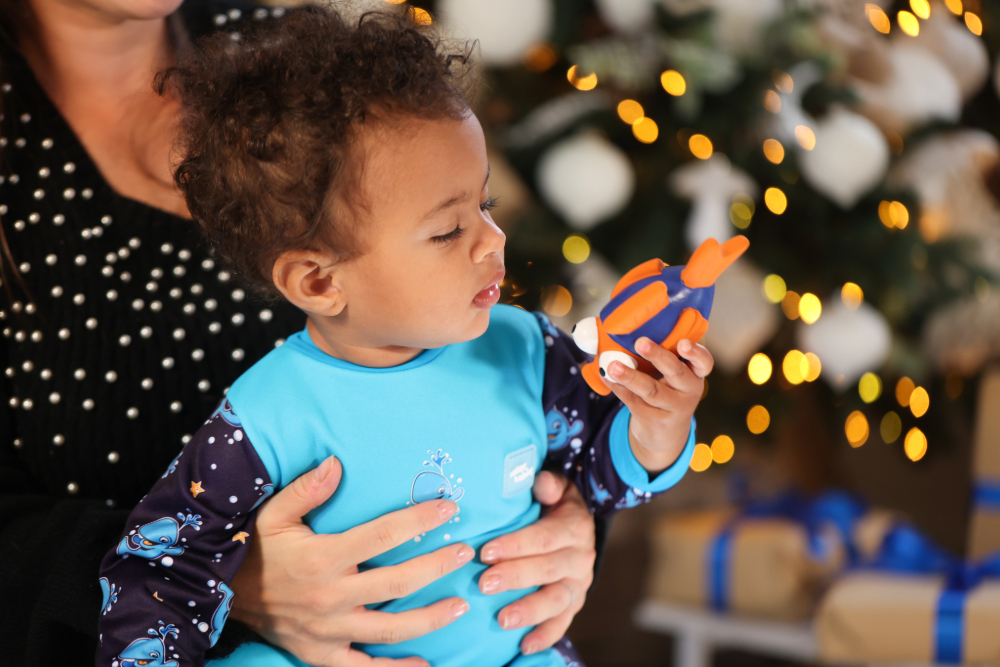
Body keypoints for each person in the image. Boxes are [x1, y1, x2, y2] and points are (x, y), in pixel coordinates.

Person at [95, 6, 711, 667]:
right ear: (319, 282)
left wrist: (656, 427)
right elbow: (161, 568)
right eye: (447, 231)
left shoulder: (527, 349)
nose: (492, 241)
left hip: (513, 654)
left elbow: (599, 475)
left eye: (486, 205)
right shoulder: (265, 416)